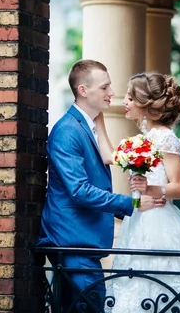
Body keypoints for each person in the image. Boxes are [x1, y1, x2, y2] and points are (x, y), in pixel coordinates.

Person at [37, 60, 164, 312]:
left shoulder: (90, 125)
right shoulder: (67, 131)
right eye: (105, 87)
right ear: (83, 90)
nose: (112, 93)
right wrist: (133, 204)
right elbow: (80, 191)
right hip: (72, 243)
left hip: (82, 244)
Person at [96, 72, 180, 313]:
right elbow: (110, 157)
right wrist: (98, 120)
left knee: (159, 285)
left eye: (130, 97)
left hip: (160, 221)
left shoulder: (165, 138)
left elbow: (178, 187)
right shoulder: (142, 140)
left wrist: (150, 188)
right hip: (138, 218)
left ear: (145, 104)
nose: (125, 102)